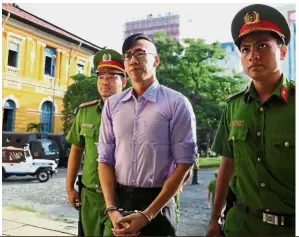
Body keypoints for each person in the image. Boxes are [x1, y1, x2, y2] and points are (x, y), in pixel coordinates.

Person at [207, 4, 295, 237]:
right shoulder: (234, 106)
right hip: (241, 227)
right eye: (245, 49)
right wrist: (214, 219)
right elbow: (227, 164)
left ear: (283, 52)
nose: (253, 55)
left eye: (263, 45)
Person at [97, 33, 197, 236]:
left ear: (156, 60)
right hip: (120, 203)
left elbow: (185, 164)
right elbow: (105, 159)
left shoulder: (176, 103)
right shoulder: (113, 105)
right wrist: (112, 209)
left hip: (158, 205)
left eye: (140, 53)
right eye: (128, 55)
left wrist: (147, 215)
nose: (133, 60)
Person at [65, 49, 127, 236]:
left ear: (123, 81)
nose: (105, 82)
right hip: (89, 195)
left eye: (112, 76)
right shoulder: (85, 111)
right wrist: (69, 188)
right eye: (100, 77)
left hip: (120, 196)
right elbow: (76, 151)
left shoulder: (133, 113)